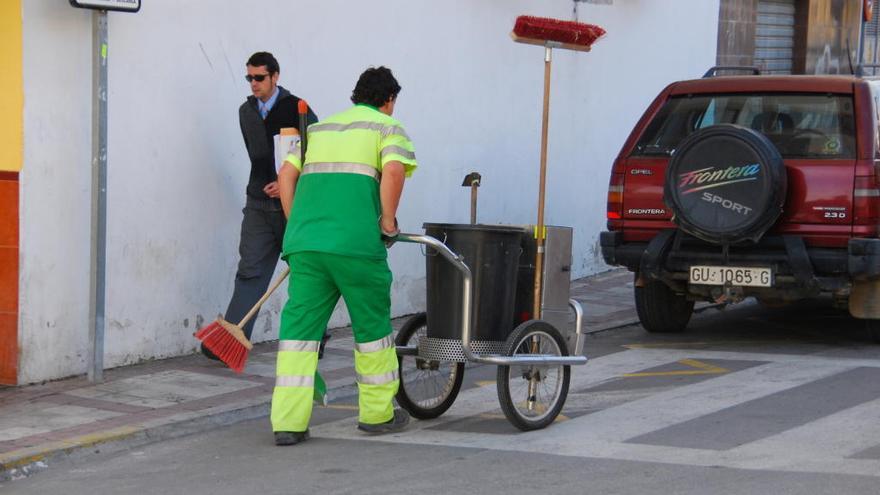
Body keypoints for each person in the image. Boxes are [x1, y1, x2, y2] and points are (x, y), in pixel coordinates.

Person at [270, 66, 417, 446]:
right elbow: (395, 171)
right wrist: (387, 222)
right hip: (355, 246)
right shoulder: (386, 127)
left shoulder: (319, 130)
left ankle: (288, 423)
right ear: (389, 100)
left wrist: (298, 222)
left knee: (298, 336)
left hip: (306, 244)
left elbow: (286, 175)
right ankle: (377, 414)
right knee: (371, 331)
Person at [202, 52, 318, 361]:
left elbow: (317, 154)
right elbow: (259, 156)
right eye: (249, 78)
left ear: (275, 76)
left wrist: (286, 183)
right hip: (257, 205)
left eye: (259, 78)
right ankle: (233, 337)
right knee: (250, 270)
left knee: (307, 273)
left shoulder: (299, 108)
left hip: (292, 206)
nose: (253, 84)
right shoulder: (246, 111)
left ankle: (312, 341)